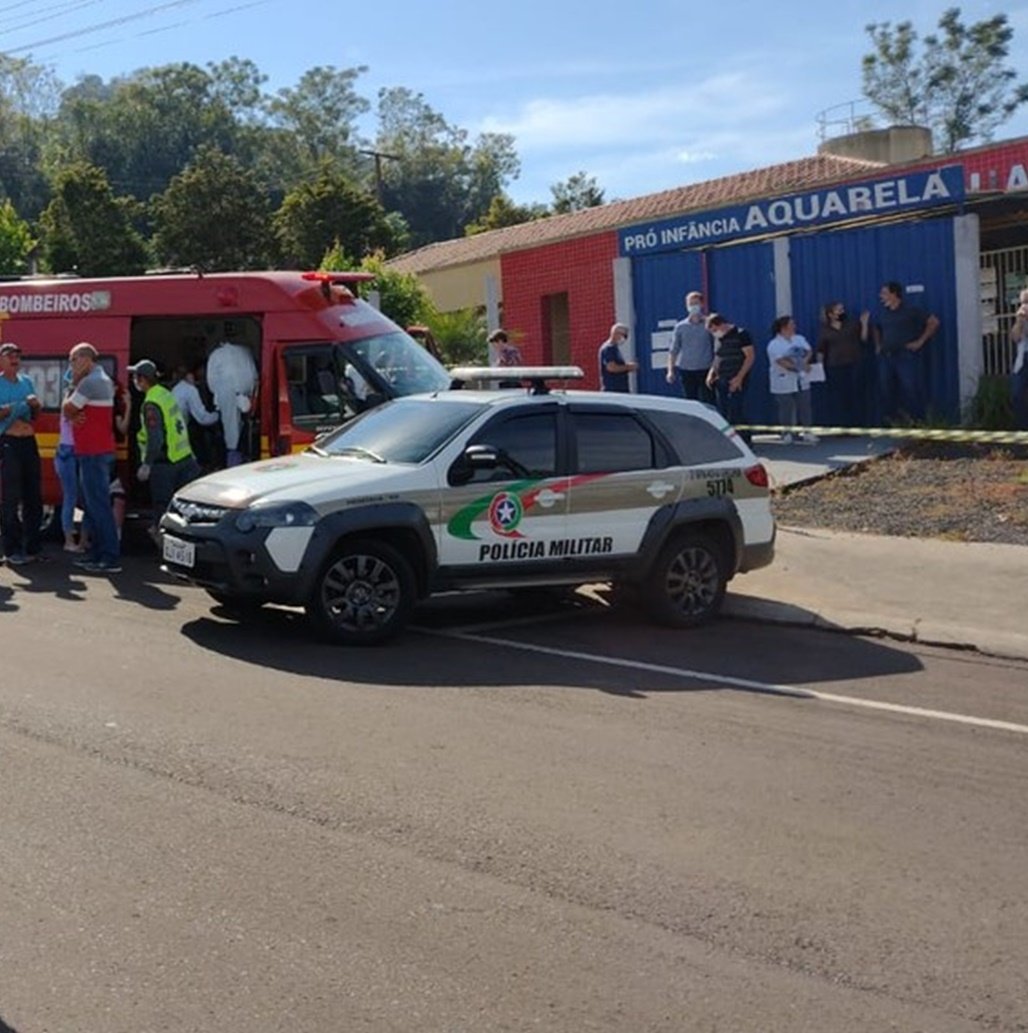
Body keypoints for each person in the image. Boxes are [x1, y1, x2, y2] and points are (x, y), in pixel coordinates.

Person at [62, 342, 121, 574]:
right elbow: (72, 412)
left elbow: (67, 409)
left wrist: (72, 399)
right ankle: (97, 553)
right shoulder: (99, 379)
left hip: (93, 453)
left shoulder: (91, 382)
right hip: (92, 450)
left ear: (86, 359)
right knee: (94, 506)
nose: (71, 365)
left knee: (98, 505)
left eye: (73, 360)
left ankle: (109, 557)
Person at [128, 359, 201, 530]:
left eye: (135, 378)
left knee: (163, 508)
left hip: (165, 463)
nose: (134, 382)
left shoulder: (151, 403)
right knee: (184, 508)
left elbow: (156, 438)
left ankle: (165, 544)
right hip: (184, 458)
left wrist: (146, 465)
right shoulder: (166, 393)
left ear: (143, 379)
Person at [0, 342, 44, 564]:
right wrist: (4, 411)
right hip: (8, 442)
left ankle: (33, 547)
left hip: (29, 441)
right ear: (1, 360)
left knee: (34, 496)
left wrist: (35, 405)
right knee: (11, 497)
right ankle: (12, 549)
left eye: (18, 355)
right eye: (10, 355)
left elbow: (35, 415)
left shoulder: (27, 382)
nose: (15, 359)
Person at [873, 281, 939, 424]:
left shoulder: (911, 310)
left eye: (884, 293)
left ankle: (918, 420)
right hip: (886, 356)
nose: (881, 296)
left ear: (894, 294)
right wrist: (878, 345)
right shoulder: (883, 313)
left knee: (910, 387)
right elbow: (876, 328)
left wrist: (920, 341)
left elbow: (933, 322)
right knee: (886, 388)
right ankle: (893, 420)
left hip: (905, 356)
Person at [816, 301, 870, 428]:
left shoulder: (852, 324)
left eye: (842, 310)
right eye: (838, 310)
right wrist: (819, 368)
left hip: (854, 363)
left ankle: (857, 424)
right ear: (831, 314)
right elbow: (821, 350)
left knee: (856, 394)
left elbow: (864, 339)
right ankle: (842, 425)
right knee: (840, 397)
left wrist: (864, 324)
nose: (842, 312)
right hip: (835, 366)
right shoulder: (825, 330)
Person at [206, 338, 258, 466]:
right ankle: (241, 456)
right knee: (244, 430)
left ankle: (232, 459)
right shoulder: (245, 352)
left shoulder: (217, 355)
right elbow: (254, 376)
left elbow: (211, 381)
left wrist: (217, 395)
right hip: (248, 397)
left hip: (226, 395)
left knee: (230, 433)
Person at [767, 316, 818, 444]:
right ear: (783, 327)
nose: (794, 326)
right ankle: (786, 433)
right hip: (783, 379)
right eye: (792, 324)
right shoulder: (774, 344)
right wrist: (799, 367)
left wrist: (804, 364)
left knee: (805, 405)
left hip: (801, 379)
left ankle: (807, 432)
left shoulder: (799, 339)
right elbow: (780, 361)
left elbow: (809, 351)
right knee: (786, 407)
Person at [705, 313, 755, 440]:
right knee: (724, 410)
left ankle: (745, 440)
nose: (714, 334)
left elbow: (750, 357)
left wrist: (739, 378)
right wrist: (711, 373)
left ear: (721, 325)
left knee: (736, 410)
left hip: (737, 378)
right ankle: (729, 441)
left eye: (715, 330)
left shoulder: (741, 334)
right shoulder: (718, 338)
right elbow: (718, 356)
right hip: (721, 379)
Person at [666, 290, 714, 402]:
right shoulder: (680, 327)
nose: (693, 307)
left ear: (702, 304)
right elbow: (673, 350)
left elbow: (716, 347)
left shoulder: (709, 324)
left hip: (706, 369)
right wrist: (670, 370)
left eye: (696, 303)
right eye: (691, 304)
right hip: (686, 370)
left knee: (709, 401)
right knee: (691, 401)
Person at [172, 361, 219, 469]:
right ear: (190, 375)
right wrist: (219, 416)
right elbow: (202, 418)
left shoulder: (176, 389)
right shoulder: (189, 389)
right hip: (181, 435)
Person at [55, 368, 82, 552]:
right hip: (68, 452)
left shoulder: (69, 397)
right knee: (70, 497)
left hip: (69, 451)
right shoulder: (71, 400)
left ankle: (75, 540)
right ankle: (68, 541)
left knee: (75, 497)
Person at [598, 323, 637, 392]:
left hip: (620, 389)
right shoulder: (608, 348)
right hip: (613, 390)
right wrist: (628, 367)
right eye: (624, 335)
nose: (625, 338)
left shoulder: (614, 348)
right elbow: (611, 367)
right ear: (616, 333)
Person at [1009, 288, 1028, 431]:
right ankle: (1024, 430)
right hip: (1023, 360)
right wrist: (1020, 321)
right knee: (1017, 394)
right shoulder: (1022, 319)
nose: (1024, 306)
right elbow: (1015, 337)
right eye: (1023, 303)